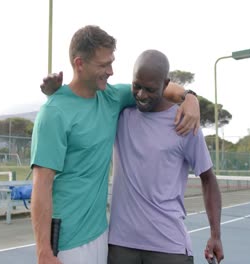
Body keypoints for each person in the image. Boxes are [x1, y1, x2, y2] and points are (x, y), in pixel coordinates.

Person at [31, 25, 201, 264]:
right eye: (103, 65)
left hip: (102, 235)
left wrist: (190, 97)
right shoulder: (53, 112)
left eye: (111, 62)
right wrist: (44, 252)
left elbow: (159, 87)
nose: (110, 71)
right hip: (67, 242)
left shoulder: (112, 97)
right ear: (80, 64)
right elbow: (41, 184)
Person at [108, 49, 223, 264]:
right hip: (120, 245)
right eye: (137, 86)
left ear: (166, 84)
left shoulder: (185, 122)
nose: (141, 94)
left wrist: (215, 235)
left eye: (150, 89)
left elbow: (208, 178)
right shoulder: (121, 114)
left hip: (168, 246)